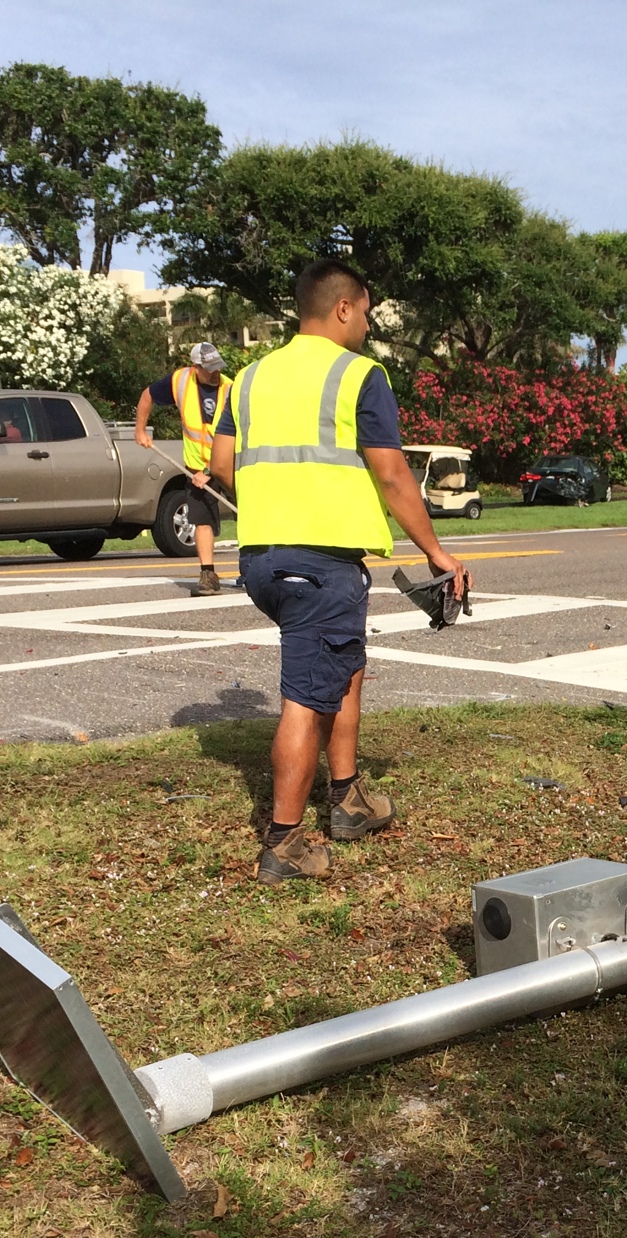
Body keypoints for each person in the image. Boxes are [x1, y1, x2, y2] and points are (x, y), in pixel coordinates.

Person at [211, 260, 472, 883]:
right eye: (368, 310)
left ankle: (349, 799)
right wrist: (436, 552)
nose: (369, 323)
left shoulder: (246, 378)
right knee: (306, 697)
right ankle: (284, 842)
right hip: (319, 562)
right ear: (344, 309)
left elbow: (222, 465)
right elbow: (390, 472)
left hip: (264, 558)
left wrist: (276, 506)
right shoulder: (359, 375)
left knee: (345, 668)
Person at [137, 343, 230, 595]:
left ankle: (255, 568)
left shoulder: (230, 390)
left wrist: (210, 471)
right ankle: (208, 574)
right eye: (209, 369)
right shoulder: (180, 381)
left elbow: (238, 438)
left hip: (228, 463)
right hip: (195, 467)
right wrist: (140, 430)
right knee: (201, 519)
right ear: (195, 367)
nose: (215, 373)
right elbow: (148, 395)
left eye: (217, 367)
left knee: (250, 513)